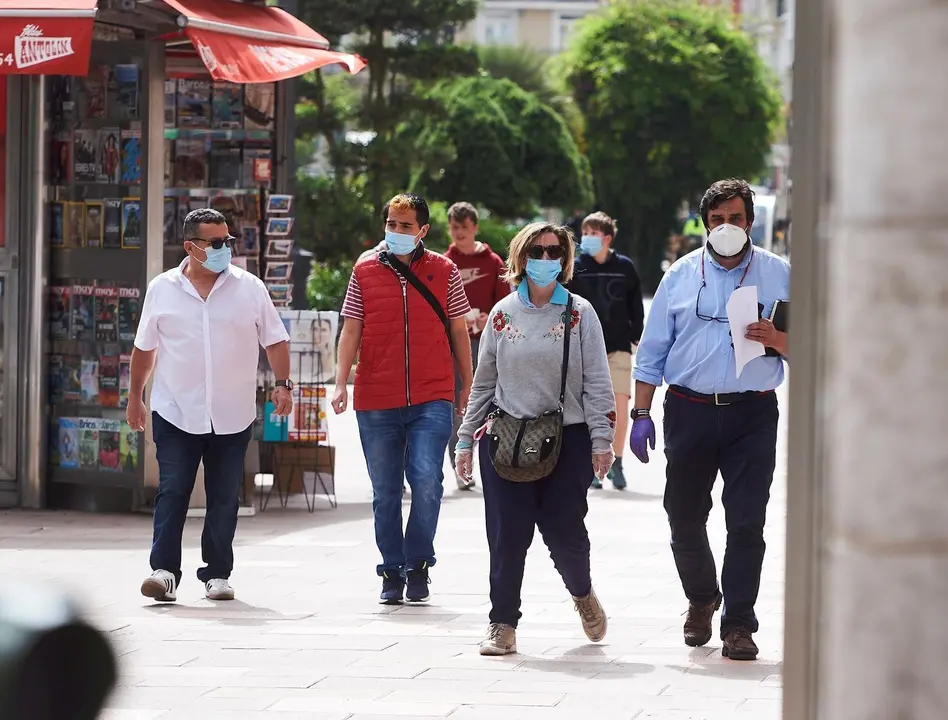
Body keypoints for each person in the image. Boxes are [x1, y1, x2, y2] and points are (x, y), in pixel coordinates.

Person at [629, 178, 790, 661]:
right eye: (717, 220)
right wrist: (640, 413)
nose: (726, 227)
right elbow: (652, 351)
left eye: (735, 218)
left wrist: (778, 340)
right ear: (704, 225)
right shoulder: (680, 275)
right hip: (689, 410)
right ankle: (702, 598)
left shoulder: (780, 274)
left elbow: (817, 347)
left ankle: (739, 624)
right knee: (683, 516)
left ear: (750, 222)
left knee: (746, 523)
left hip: (752, 414)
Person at [455, 222, 616, 656]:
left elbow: (598, 381)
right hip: (506, 440)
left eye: (554, 251)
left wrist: (602, 439)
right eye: (537, 251)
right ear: (521, 257)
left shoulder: (579, 313)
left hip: (567, 440)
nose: (545, 259)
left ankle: (582, 593)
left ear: (564, 259)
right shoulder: (502, 313)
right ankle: (502, 623)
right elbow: (483, 382)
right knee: (506, 535)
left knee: (565, 533)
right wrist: (466, 439)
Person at [128, 208, 293, 603]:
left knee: (223, 496)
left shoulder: (249, 288)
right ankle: (164, 572)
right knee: (173, 490)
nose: (226, 248)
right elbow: (144, 349)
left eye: (228, 241)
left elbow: (275, 339)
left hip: (232, 413)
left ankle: (217, 574)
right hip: (175, 410)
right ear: (191, 247)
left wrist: (283, 385)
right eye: (217, 242)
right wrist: (135, 397)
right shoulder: (162, 289)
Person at [332, 193, 474, 605]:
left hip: (433, 393)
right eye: (391, 224)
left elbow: (459, 329)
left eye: (405, 225)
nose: (396, 231)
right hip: (377, 396)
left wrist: (468, 383)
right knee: (386, 490)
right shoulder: (364, 269)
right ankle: (392, 570)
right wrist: (340, 383)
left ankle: (419, 563)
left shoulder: (444, 270)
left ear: (423, 230)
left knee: (428, 480)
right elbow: (351, 329)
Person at [568, 211, 644, 490]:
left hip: (618, 348)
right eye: (585, 233)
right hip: (583, 349)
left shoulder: (625, 267)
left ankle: (617, 462)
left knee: (620, 406)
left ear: (608, 238)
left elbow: (636, 305)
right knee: (588, 410)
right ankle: (592, 464)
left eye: (593, 233)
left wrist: (636, 335)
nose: (587, 238)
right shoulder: (576, 267)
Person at [443, 201, 511, 490]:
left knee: (489, 406)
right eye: (454, 227)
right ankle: (460, 466)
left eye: (464, 227)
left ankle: (494, 466)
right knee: (456, 407)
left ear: (475, 228)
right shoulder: (444, 262)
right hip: (454, 347)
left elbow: (507, 305)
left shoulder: (493, 263)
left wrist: (489, 319)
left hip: (487, 345)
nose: (459, 233)